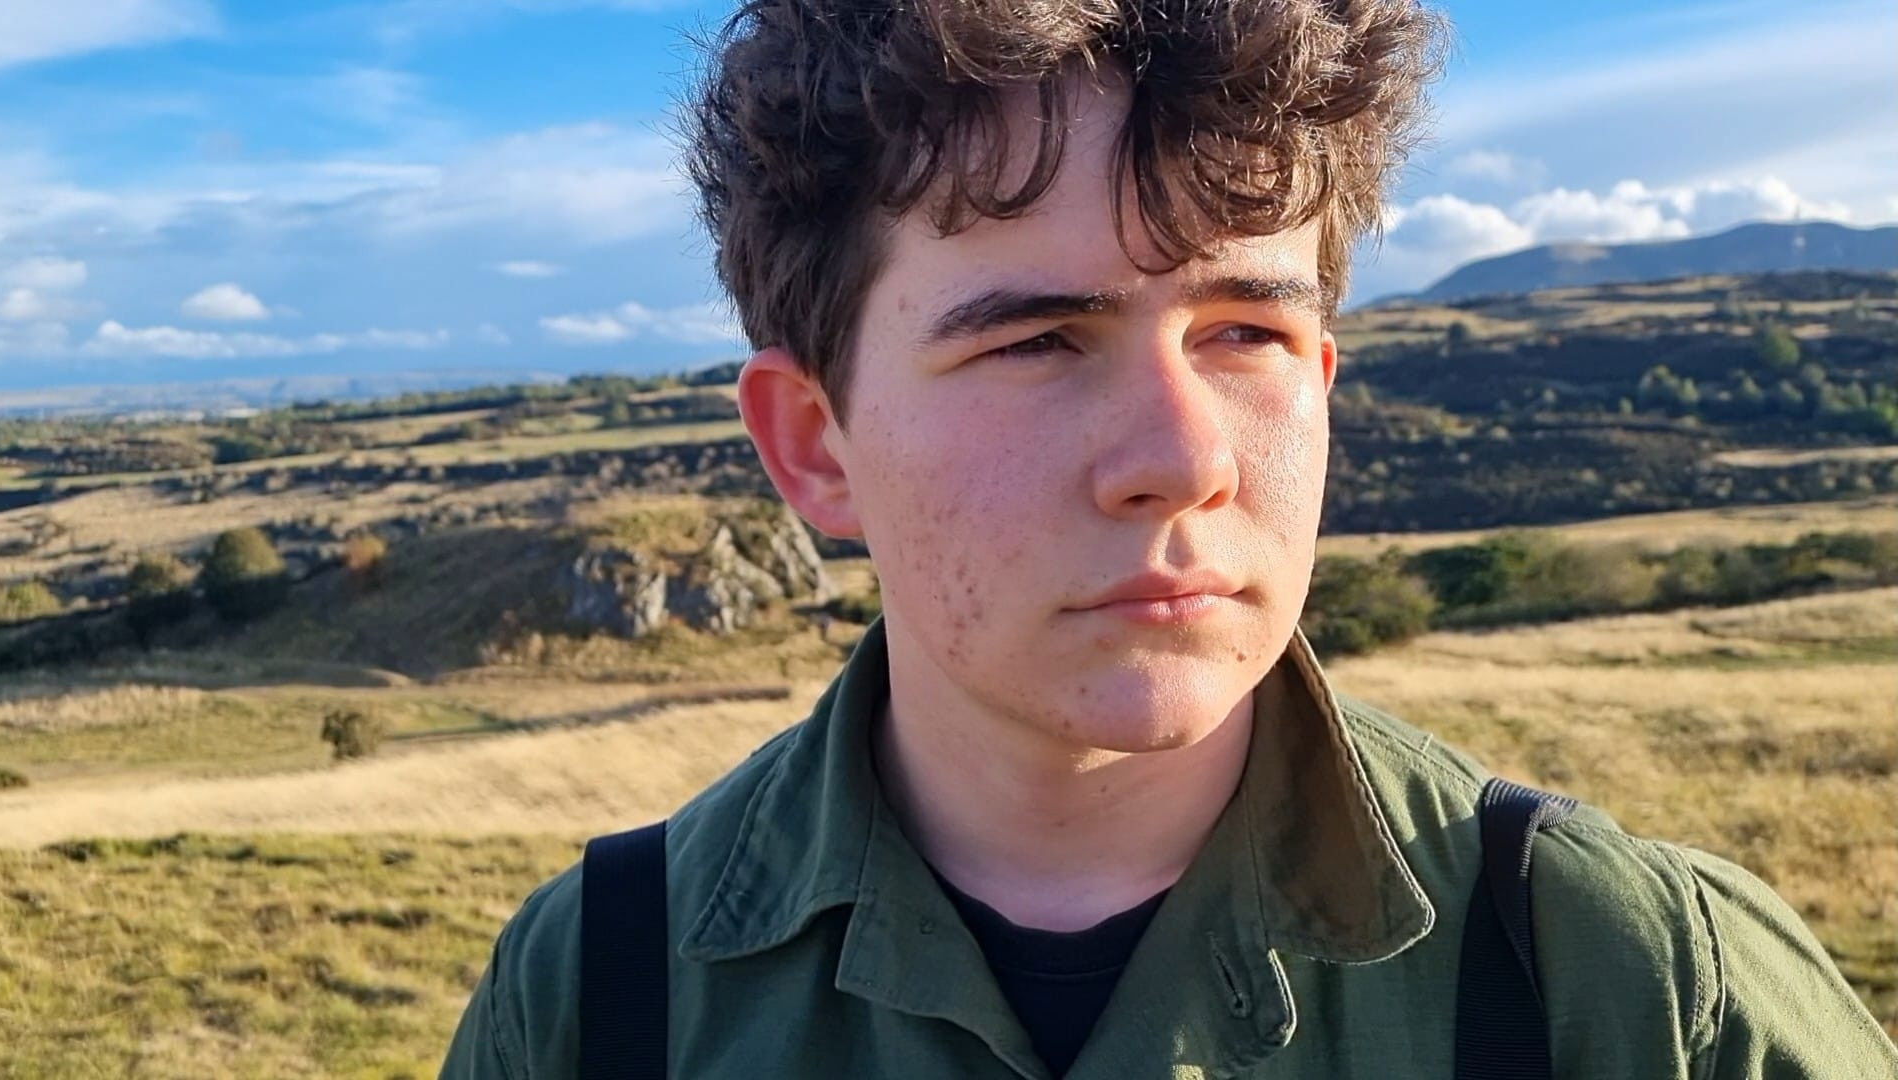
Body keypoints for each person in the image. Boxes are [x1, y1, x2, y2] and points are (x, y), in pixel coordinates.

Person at [439, 0, 1898, 1075]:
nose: (1185, 460)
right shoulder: (599, 996)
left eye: (1247, 333)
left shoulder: (1633, 986)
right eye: (1035, 343)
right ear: (817, 443)